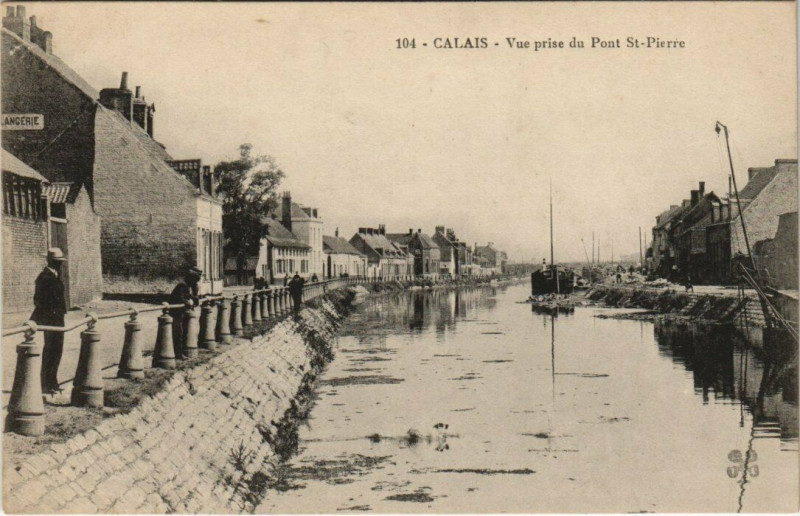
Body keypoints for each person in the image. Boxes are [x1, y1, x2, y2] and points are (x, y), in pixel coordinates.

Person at [31, 248, 68, 394]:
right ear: (52, 261)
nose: (60, 265)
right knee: (51, 350)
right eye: (58, 262)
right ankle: (46, 384)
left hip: (58, 318)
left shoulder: (54, 275)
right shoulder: (45, 277)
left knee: (56, 350)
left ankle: (53, 382)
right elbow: (38, 300)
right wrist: (50, 314)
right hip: (51, 320)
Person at [169, 266, 202, 359]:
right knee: (178, 332)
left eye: (196, 280)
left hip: (184, 312)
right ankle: (178, 353)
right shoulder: (182, 285)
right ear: (190, 277)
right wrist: (188, 302)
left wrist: (194, 297)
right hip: (176, 312)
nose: (195, 282)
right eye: (194, 279)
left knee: (185, 331)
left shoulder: (192, 286)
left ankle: (183, 351)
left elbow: (195, 299)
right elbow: (179, 298)